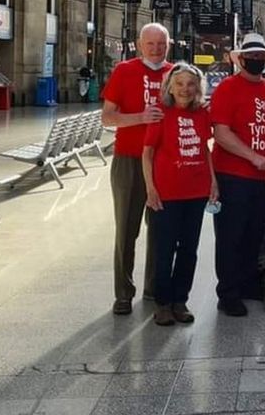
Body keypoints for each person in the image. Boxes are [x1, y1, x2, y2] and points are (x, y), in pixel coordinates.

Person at [101, 23, 173, 315]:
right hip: (129, 159)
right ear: (140, 45)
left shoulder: (175, 73)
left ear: (169, 45)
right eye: (151, 44)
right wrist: (141, 117)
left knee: (160, 230)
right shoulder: (124, 71)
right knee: (126, 230)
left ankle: (154, 289)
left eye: (161, 44)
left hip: (163, 163)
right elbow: (107, 118)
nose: (156, 49)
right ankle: (123, 292)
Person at [142, 63, 218, 326]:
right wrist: (150, 188)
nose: (185, 89)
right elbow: (147, 153)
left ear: (198, 87)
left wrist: (213, 182)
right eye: (180, 84)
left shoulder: (202, 114)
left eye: (190, 84)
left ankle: (180, 300)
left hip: (195, 192)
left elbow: (206, 149)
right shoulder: (161, 113)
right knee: (164, 249)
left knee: (189, 249)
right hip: (167, 193)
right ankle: (162, 303)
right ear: (170, 87)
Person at [209, 33, 265, 317]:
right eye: (251, 58)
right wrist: (253, 157)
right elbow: (221, 133)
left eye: (260, 58)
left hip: (263, 179)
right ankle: (227, 291)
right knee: (230, 236)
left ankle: (248, 283)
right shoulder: (227, 88)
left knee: (254, 233)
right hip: (233, 175)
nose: (256, 62)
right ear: (240, 59)